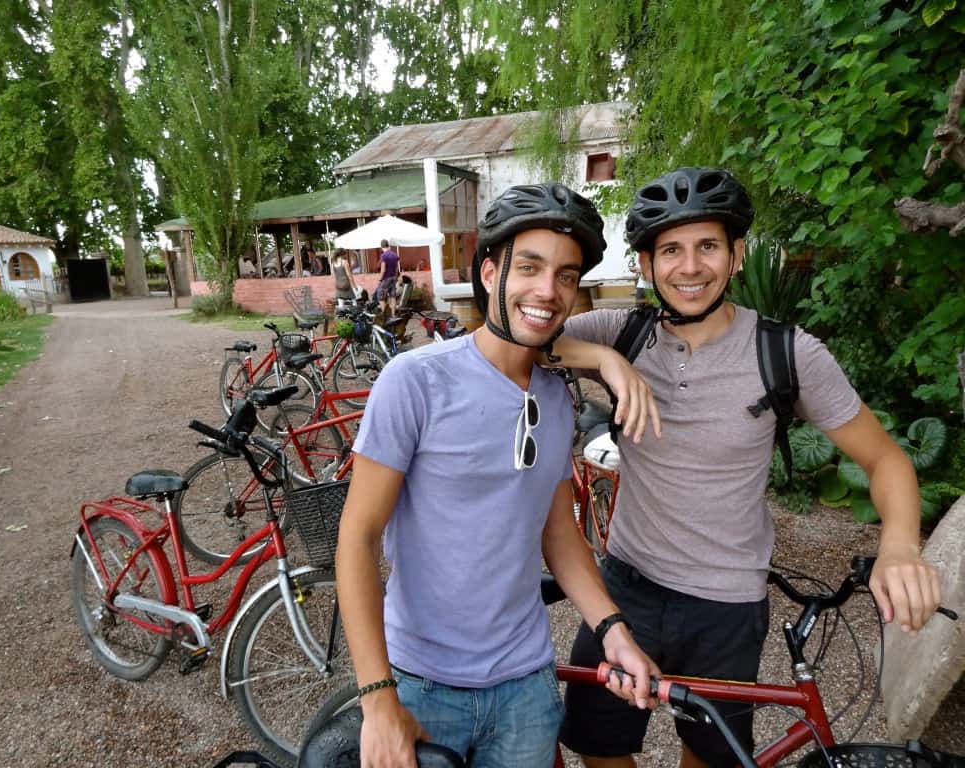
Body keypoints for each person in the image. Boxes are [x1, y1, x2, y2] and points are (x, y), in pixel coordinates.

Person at [548, 167, 943, 768]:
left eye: (707, 246)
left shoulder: (787, 353)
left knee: (705, 756)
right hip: (626, 583)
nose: (689, 267)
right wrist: (605, 358)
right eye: (671, 250)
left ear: (737, 256)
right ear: (646, 264)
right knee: (599, 748)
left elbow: (885, 457)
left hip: (726, 603)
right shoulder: (619, 332)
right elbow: (519, 336)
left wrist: (898, 548)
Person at [335, 183, 662, 768]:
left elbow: (559, 534)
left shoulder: (557, 400)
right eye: (530, 267)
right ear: (490, 273)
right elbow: (357, 538)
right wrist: (378, 700)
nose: (548, 290)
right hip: (421, 684)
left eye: (566, 275)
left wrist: (614, 632)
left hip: (525, 690)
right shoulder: (415, 382)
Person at [374, 239, 402, 313]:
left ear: (381, 246)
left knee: (380, 297)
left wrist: (380, 280)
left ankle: (385, 314)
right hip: (394, 278)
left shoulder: (383, 255)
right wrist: (397, 277)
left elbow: (383, 270)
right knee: (392, 296)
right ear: (388, 245)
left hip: (386, 278)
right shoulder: (395, 255)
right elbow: (396, 268)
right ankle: (393, 314)